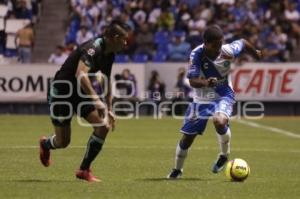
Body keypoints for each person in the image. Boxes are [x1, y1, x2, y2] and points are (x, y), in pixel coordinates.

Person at [39, 20, 130, 182]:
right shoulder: (92, 48)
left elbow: (106, 80)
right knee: (63, 142)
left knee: (103, 126)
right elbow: (81, 74)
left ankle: (83, 170)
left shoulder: (110, 54)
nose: (125, 43)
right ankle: (46, 144)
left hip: (80, 93)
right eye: (124, 39)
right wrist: (96, 100)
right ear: (115, 37)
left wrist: (109, 108)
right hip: (62, 92)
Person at [167, 25, 262, 179]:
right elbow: (192, 81)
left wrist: (255, 52)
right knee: (187, 139)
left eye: (220, 44)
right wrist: (206, 82)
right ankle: (177, 170)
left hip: (223, 94)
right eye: (215, 45)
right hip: (201, 99)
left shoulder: (227, 51)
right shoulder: (196, 55)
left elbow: (243, 42)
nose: (219, 48)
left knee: (219, 121)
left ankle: (224, 155)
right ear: (206, 43)